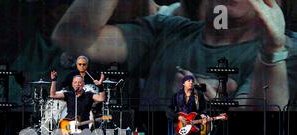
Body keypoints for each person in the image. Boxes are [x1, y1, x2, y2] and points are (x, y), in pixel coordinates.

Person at [52, 0, 296, 108]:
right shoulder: (166, 32)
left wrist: (273, 52)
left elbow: (263, 126)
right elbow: (74, 39)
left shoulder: (289, 52)